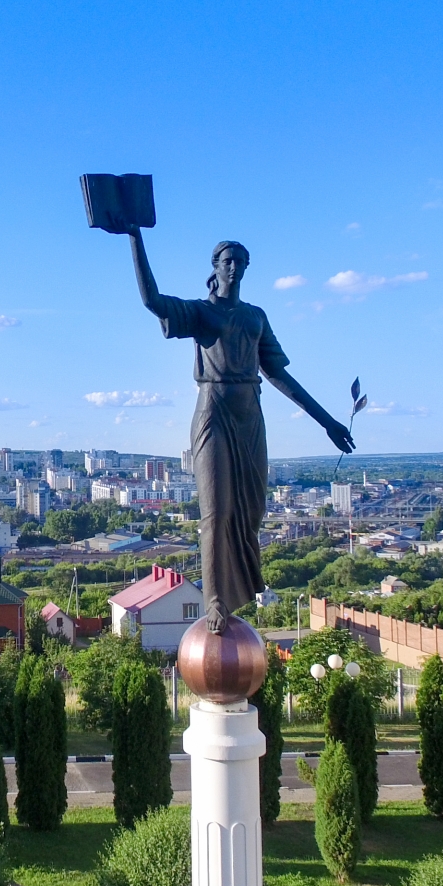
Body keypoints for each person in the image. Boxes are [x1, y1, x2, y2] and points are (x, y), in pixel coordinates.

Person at [124, 225, 354, 632]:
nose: (234, 267)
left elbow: (280, 374)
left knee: (250, 513)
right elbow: (152, 301)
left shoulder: (255, 317)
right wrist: (134, 238)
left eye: (240, 261)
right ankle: (213, 600)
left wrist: (327, 422)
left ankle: (237, 591)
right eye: (227, 261)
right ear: (216, 266)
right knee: (216, 512)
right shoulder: (201, 312)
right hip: (213, 412)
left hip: (251, 417)